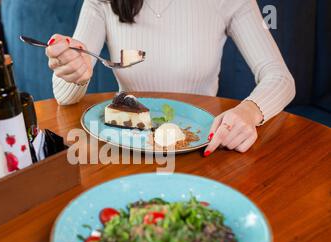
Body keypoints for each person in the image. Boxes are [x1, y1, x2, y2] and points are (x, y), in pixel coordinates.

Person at [45, 0, 296, 155]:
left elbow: (280, 77)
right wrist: (72, 70)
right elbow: (65, 95)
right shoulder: (102, 2)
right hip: (125, 149)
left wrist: (249, 111)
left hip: (200, 145)